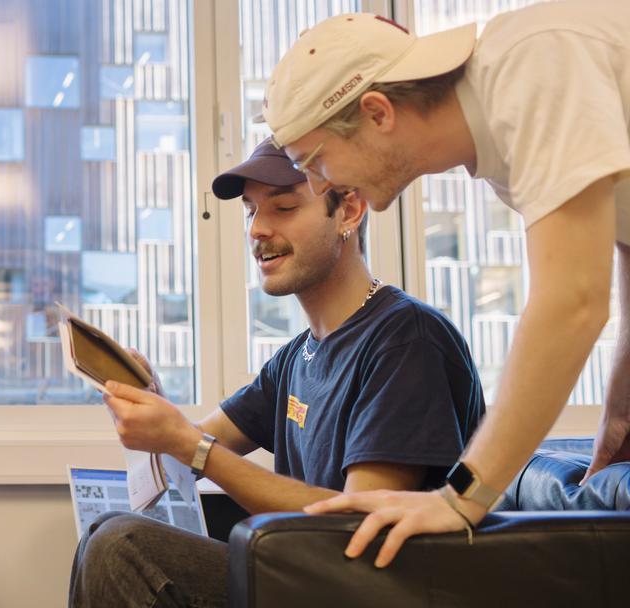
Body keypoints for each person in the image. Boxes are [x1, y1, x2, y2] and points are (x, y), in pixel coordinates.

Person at [61, 139, 484, 608]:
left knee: (125, 552)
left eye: (284, 207)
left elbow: (357, 518)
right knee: (106, 533)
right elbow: (193, 442)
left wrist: (186, 443)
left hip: (373, 599)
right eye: (253, 212)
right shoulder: (296, 358)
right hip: (308, 579)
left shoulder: (405, 338)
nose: (259, 229)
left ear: (350, 211)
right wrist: (153, 409)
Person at [256, 2, 630, 566]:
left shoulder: (534, 67)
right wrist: (618, 421)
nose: (317, 183)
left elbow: (572, 303)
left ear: (378, 112)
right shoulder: (507, 128)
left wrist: (463, 498)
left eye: (313, 160)